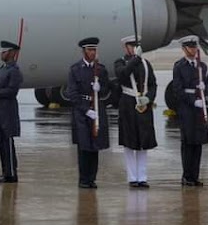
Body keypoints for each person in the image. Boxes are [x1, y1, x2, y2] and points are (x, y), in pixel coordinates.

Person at [114, 36, 157, 188]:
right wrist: (135, 59)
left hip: (143, 104)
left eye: (136, 45)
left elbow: (153, 84)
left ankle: (142, 177)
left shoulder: (146, 64)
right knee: (129, 142)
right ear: (125, 47)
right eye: (131, 46)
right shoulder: (120, 62)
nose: (133, 48)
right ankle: (132, 177)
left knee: (143, 142)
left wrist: (149, 98)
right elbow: (123, 74)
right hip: (128, 103)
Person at [67, 37, 110, 189]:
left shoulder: (100, 70)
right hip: (82, 110)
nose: (92, 53)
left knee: (95, 146)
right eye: (89, 50)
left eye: (94, 50)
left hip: (97, 107)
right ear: (84, 51)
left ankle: (92, 178)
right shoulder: (75, 69)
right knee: (84, 146)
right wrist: (86, 110)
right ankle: (83, 179)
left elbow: (107, 90)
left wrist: (101, 88)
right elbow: (72, 93)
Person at [172, 35, 208, 186]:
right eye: (190, 47)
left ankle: (195, 176)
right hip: (187, 108)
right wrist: (192, 100)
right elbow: (177, 90)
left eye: (195, 47)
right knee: (188, 143)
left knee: (198, 142)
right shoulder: (179, 67)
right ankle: (186, 175)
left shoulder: (202, 67)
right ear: (184, 49)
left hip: (199, 107)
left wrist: (205, 87)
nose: (194, 50)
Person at [0, 40, 23, 184]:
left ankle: (11, 173)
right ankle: (5, 171)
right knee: (1, 142)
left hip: (8, 110)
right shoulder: (3, 69)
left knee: (8, 143)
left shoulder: (14, 71)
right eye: (1, 52)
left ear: (11, 53)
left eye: (4, 52)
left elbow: (12, 91)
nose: (2, 54)